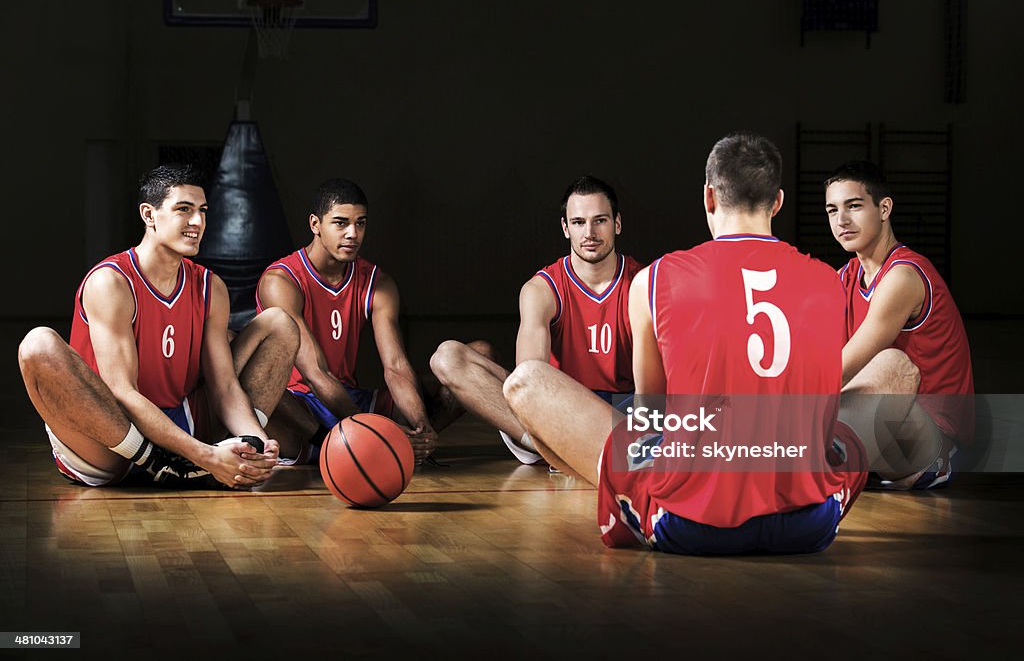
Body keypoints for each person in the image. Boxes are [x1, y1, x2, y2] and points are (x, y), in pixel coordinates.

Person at [503, 133, 867, 555]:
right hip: (808, 525)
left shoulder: (654, 279)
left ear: (709, 197)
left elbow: (649, 417)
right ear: (778, 201)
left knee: (528, 381)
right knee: (860, 415)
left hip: (691, 523)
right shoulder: (830, 281)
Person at [18, 164, 299, 489]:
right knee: (37, 345)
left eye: (202, 211)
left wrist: (256, 442)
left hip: (183, 421)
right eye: (184, 210)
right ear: (149, 215)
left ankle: (235, 458)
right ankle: (172, 464)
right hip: (112, 437)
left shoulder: (210, 287)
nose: (198, 222)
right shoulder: (112, 282)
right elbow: (122, 392)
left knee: (280, 323)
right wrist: (203, 456)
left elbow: (224, 385)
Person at [430, 176, 641, 465]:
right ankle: (547, 449)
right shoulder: (542, 289)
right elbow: (530, 378)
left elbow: (658, 379)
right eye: (578, 222)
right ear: (566, 228)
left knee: (715, 415)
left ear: (617, 224)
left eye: (599, 220)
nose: (589, 232)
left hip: (620, 412)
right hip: (560, 413)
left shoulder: (644, 283)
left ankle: (594, 451)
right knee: (447, 357)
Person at [256, 178, 456, 465]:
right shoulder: (282, 280)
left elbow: (396, 366)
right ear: (315, 224)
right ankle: (338, 444)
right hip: (296, 405)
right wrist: (369, 428)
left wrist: (421, 424)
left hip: (347, 396)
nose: (353, 234)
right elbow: (315, 372)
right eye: (340, 223)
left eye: (360, 223)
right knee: (252, 391)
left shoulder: (378, 282)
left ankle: (410, 445)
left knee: (473, 361)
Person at [824, 160, 974, 489]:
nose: (842, 220)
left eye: (854, 206)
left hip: (931, 444)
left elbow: (842, 370)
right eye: (832, 210)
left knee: (892, 363)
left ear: (884, 208)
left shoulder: (903, 276)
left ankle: (811, 467)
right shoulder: (844, 278)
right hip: (880, 433)